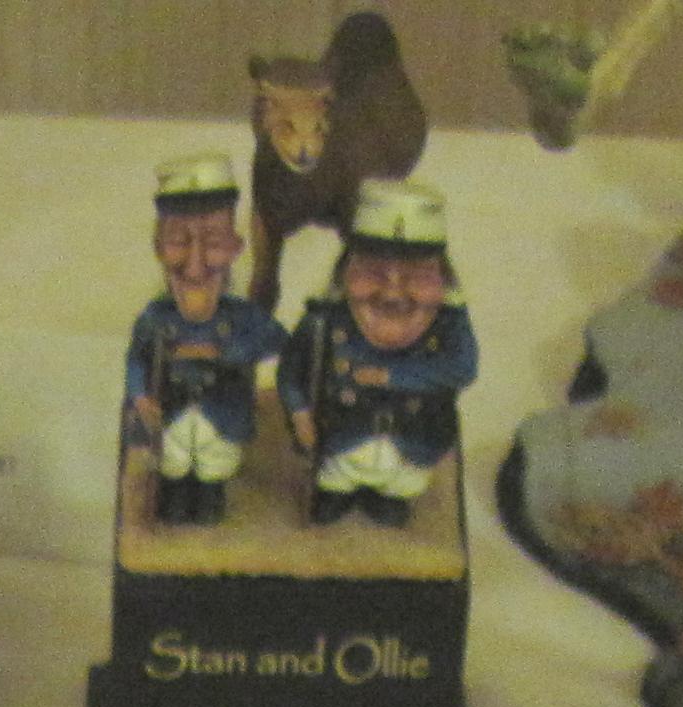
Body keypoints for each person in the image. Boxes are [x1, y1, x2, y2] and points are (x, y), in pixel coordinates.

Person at [280, 179, 477, 527]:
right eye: (373, 273)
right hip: (339, 441)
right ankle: (336, 496)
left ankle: (387, 499)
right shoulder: (324, 322)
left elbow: (462, 368)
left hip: (413, 445)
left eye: (416, 277)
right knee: (334, 482)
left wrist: (391, 376)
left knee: (399, 488)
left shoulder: (447, 326)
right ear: (346, 272)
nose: (392, 295)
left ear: (442, 281)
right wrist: (300, 415)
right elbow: (291, 371)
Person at [125, 155, 285, 527]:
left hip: (223, 417)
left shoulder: (243, 318)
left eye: (212, 242)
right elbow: (137, 360)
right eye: (178, 241)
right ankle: (174, 498)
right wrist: (141, 396)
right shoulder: (155, 318)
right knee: (173, 463)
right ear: (158, 247)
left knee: (214, 465)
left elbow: (282, 344)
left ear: (235, 247)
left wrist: (235, 354)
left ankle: (210, 500)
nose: (195, 267)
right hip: (172, 418)